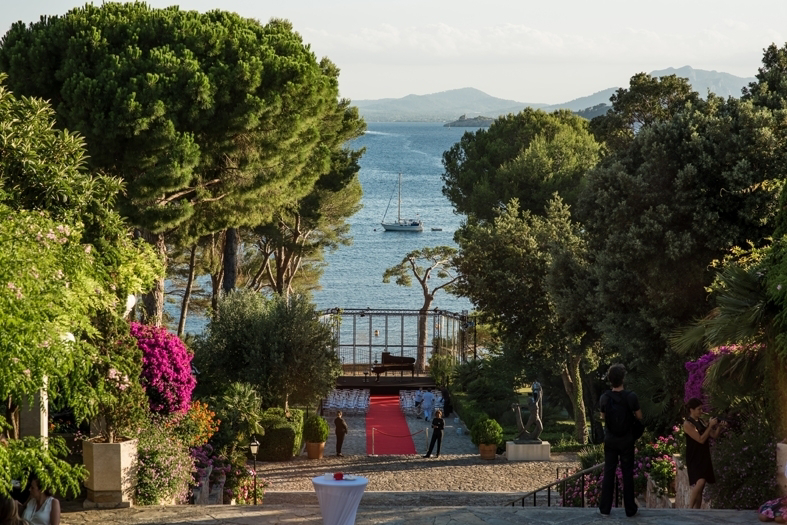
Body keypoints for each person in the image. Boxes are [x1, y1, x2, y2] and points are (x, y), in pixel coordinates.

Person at [598, 363, 642, 518]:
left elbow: (603, 417)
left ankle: (605, 508)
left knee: (609, 472)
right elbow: (639, 417)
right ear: (623, 379)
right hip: (626, 440)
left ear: (610, 380)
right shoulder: (631, 397)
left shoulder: (604, 397)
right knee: (627, 473)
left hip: (610, 439)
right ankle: (630, 509)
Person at [683, 397, 725, 509]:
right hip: (694, 456)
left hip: (704, 455)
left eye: (702, 409)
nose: (701, 411)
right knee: (700, 481)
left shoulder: (701, 421)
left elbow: (713, 435)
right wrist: (710, 425)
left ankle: (697, 511)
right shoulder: (688, 424)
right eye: (699, 409)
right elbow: (701, 439)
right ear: (691, 410)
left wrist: (719, 428)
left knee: (701, 487)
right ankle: (688, 509)